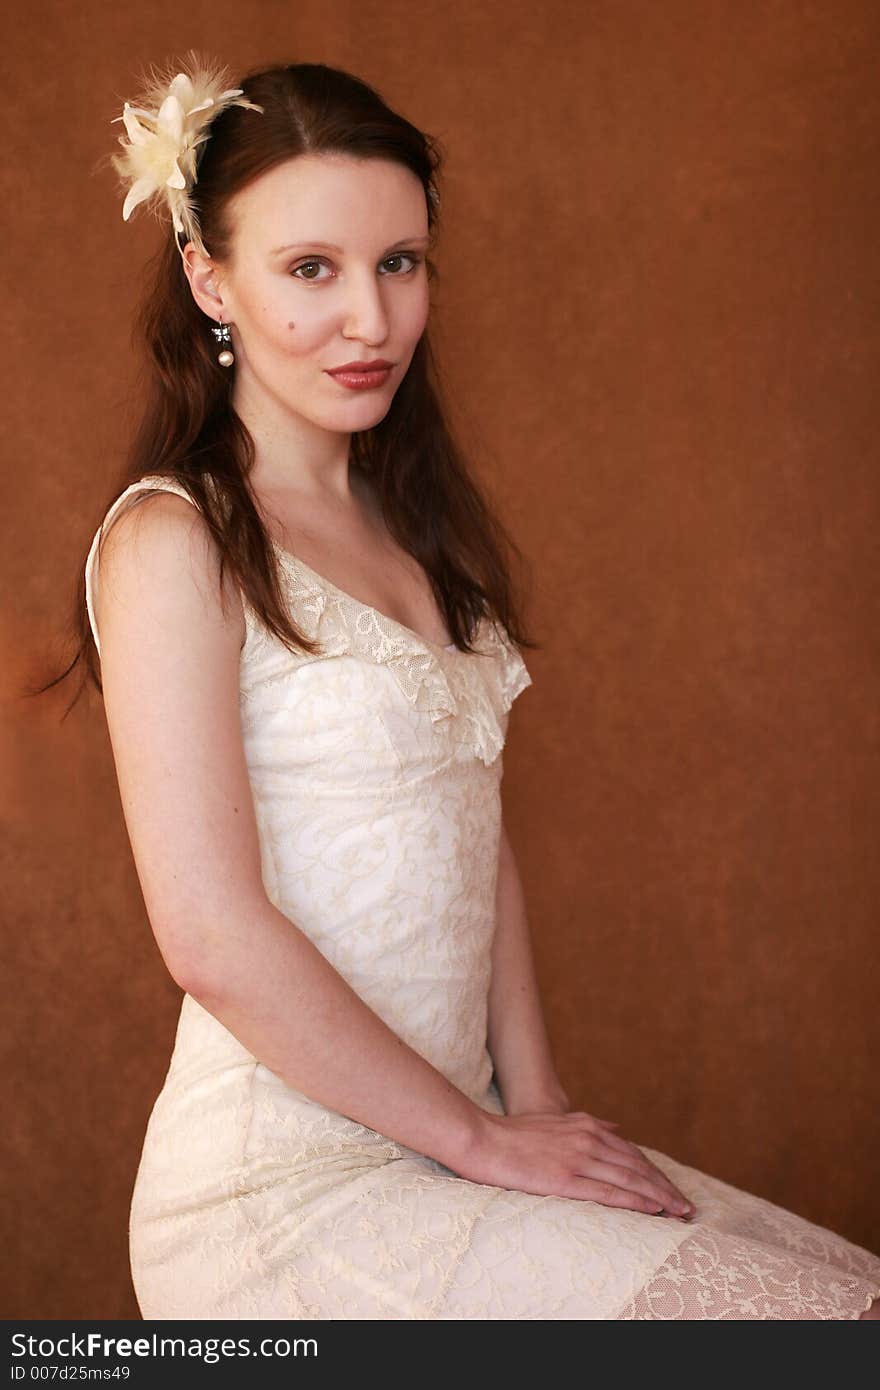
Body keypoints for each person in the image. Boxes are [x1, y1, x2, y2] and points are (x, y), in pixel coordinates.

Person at [67, 51, 880, 1318]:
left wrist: (538, 1106)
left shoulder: (412, 533)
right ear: (206, 276)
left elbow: (471, 833)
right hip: (285, 1195)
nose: (372, 321)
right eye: (310, 269)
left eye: (400, 262)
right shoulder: (175, 539)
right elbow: (210, 936)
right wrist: (482, 1143)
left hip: (460, 1137)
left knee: (848, 1294)